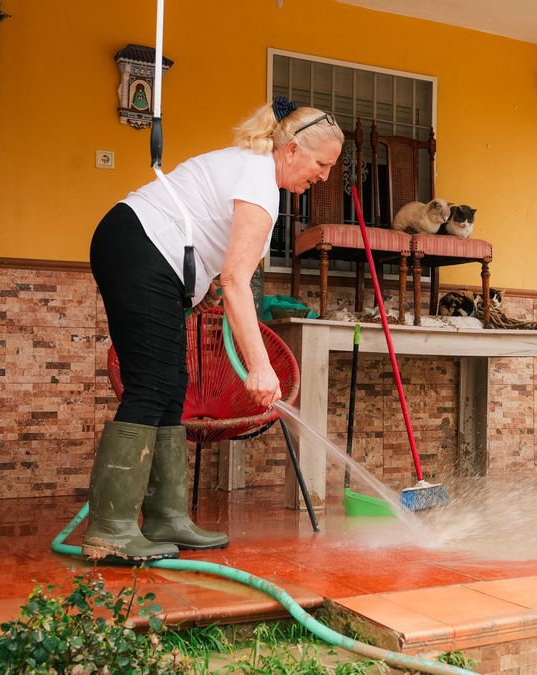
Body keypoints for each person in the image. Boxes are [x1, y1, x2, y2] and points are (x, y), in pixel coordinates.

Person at [83, 98, 343, 561]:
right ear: (291, 151)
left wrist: (198, 288)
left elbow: (219, 263)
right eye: (321, 164)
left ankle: (167, 518)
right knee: (151, 383)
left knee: (170, 383)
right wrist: (260, 369)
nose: (323, 176)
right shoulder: (259, 183)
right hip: (138, 245)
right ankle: (110, 529)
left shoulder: (257, 176)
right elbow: (237, 281)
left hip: (139, 250)